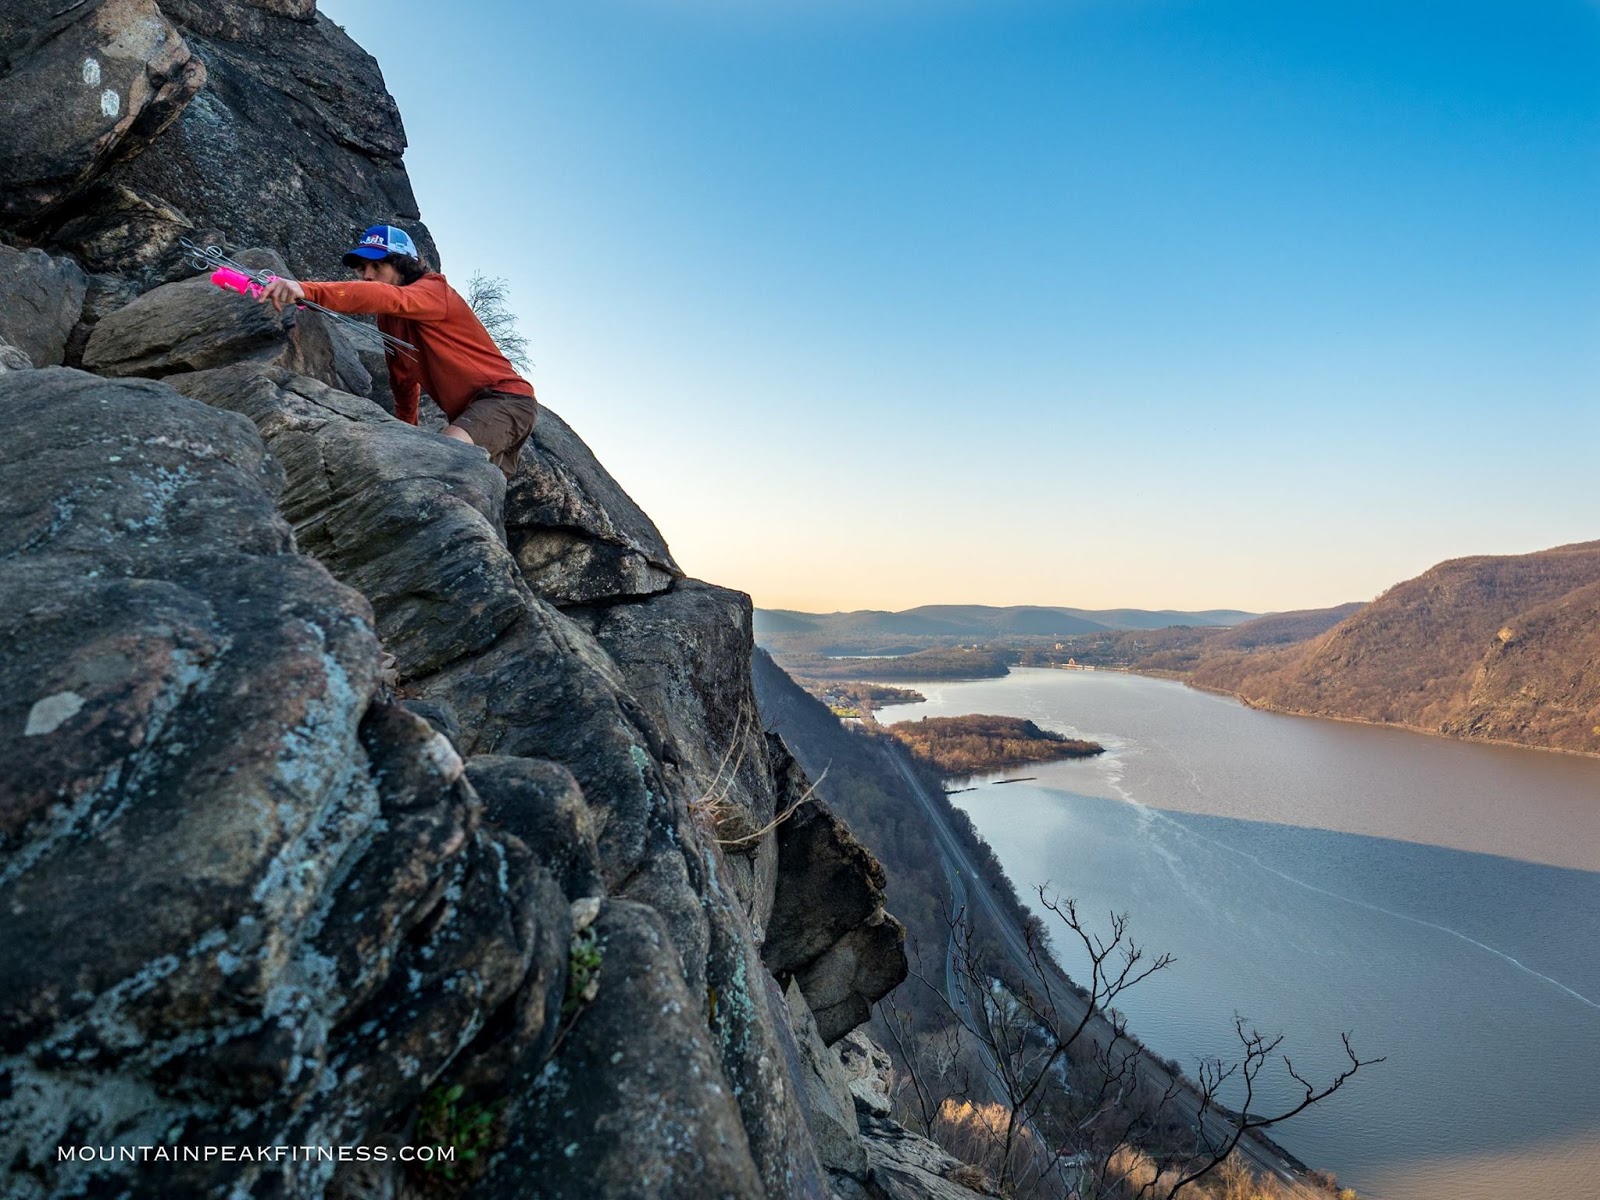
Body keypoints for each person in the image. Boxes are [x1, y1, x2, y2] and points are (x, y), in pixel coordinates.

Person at [258, 225, 537, 479]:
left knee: (440, 457)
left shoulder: (434, 290)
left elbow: (387, 297)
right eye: (362, 268)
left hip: (505, 399)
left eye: (377, 266)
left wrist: (306, 290)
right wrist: (407, 432)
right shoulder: (389, 320)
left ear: (403, 264)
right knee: (472, 489)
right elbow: (402, 381)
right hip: (468, 413)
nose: (367, 275)